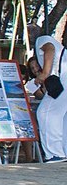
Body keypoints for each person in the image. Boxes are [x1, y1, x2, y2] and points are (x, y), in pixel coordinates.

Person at [34, 35, 67, 163]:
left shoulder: (42, 39)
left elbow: (49, 48)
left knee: (46, 113)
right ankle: (63, 150)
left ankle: (55, 154)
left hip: (63, 78)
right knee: (62, 116)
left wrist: (45, 73)